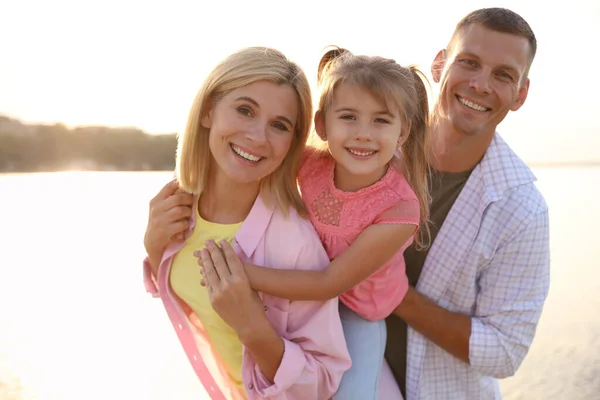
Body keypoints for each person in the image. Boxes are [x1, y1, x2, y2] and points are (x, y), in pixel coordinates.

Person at [199, 47, 431, 400]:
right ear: (322, 125)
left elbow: (329, 283)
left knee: (352, 394)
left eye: (381, 120)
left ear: (402, 132)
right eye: (349, 117)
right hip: (304, 296)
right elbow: (246, 170)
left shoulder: (398, 209)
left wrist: (239, 275)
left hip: (355, 308)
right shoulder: (309, 164)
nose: (363, 134)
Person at [142, 47, 351, 400]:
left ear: (292, 143)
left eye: (279, 125)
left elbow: (322, 384)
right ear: (209, 110)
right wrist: (153, 246)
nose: (257, 136)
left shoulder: (294, 244)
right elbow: (185, 288)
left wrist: (252, 327)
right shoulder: (177, 204)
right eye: (244, 110)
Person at [383, 8, 551, 399]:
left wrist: (395, 294)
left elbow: (506, 351)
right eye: (469, 63)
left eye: (504, 75)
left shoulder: (522, 209)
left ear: (520, 94)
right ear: (440, 64)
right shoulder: (370, 148)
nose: (480, 84)